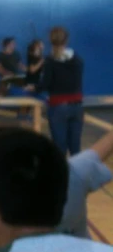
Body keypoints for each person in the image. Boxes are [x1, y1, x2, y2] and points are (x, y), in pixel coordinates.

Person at [34, 26, 84, 156]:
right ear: (67, 40)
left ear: (50, 41)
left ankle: (61, 174)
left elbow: (46, 84)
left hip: (58, 107)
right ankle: (77, 175)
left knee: (59, 147)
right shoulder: (78, 60)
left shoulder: (50, 61)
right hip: (77, 105)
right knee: (75, 147)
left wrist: (35, 88)